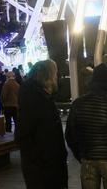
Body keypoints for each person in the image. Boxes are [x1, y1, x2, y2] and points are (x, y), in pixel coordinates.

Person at [17, 59, 68, 189]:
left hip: (47, 166)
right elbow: (25, 135)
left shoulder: (42, 98)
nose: (57, 78)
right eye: (55, 74)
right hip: (44, 169)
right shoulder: (36, 100)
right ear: (48, 78)